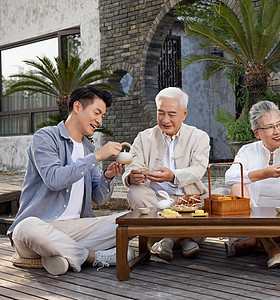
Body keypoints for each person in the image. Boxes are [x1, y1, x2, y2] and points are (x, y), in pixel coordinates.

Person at [8, 85, 134, 276]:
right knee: (26, 227)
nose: (99, 120)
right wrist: (97, 157)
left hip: (78, 228)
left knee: (132, 220)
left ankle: (59, 254)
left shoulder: (88, 149)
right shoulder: (45, 137)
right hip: (42, 228)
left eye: (103, 116)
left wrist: (108, 176)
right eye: (97, 113)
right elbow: (54, 179)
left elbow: (99, 199)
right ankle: (92, 257)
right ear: (77, 107)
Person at [122, 87, 210, 260]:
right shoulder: (143, 137)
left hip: (190, 200)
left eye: (172, 114)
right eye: (160, 113)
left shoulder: (199, 137)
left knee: (220, 195)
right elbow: (131, 167)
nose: (165, 120)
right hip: (157, 202)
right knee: (135, 191)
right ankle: (187, 238)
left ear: (184, 114)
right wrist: (132, 176)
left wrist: (172, 176)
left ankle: (167, 239)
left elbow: (198, 169)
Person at [224, 100, 280, 268]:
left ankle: (252, 243)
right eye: (270, 127)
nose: (277, 131)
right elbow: (231, 176)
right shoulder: (247, 151)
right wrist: (264, 173)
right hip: (249, 217)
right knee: (237, 185)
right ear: (257, 133)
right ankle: (271, 247)